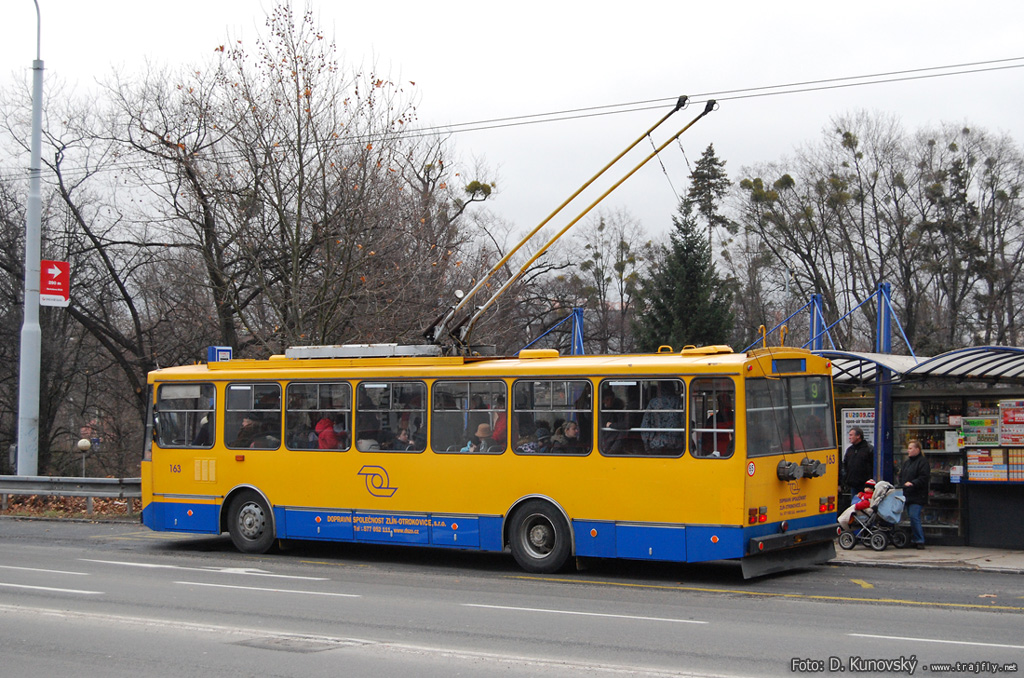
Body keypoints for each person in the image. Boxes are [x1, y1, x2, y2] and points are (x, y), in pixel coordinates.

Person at [898, 439, 930, 549]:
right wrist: (902, 483)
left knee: (914, 516)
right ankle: (915, 539)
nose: (908, 450)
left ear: (917, 449)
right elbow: (901, 475)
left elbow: (924, 477)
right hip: (907, 494)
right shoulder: (907, 463)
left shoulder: (923, 462)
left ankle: (920, 540)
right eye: (908, 448)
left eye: (911, 448)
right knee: (911, 517)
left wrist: (913, 483)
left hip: (917, 495)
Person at [842, 427, 873, 507]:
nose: (849, 437)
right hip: (853, 484)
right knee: (854, 507)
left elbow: (873, 466)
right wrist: (846, 479)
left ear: (858, 436)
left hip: (866, 486)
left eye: (851, 435)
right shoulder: (850, 450)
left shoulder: (868, 449)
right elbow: (845, 465)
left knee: (865, 507)